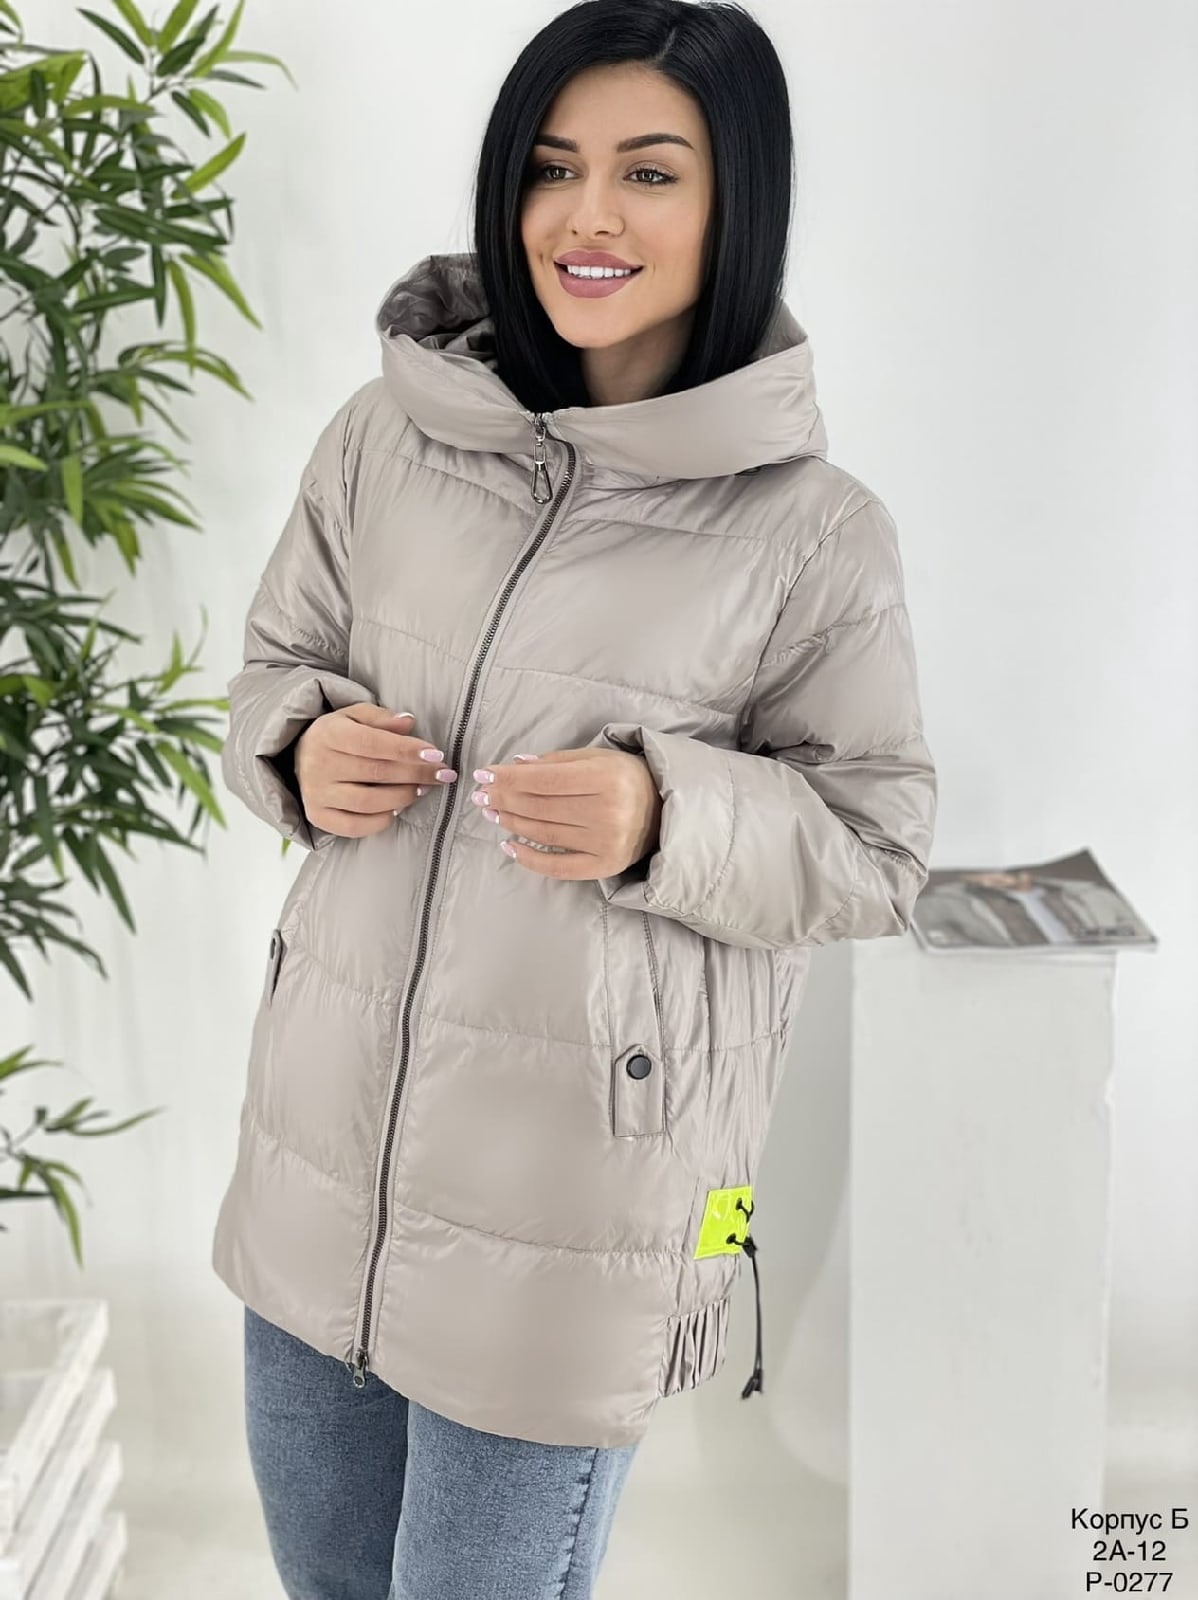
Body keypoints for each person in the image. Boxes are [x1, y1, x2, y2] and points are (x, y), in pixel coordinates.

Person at [213, 2, 939, 1595]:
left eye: (648, 173)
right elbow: (273, 667)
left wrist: (665, 814)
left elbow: (876, 850)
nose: (586, 216)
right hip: (320, 1161)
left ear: (737, 200)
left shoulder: (811, 530)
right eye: (550, 168)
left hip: (572, 1211)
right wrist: (298, 745)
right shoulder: (385, 436)